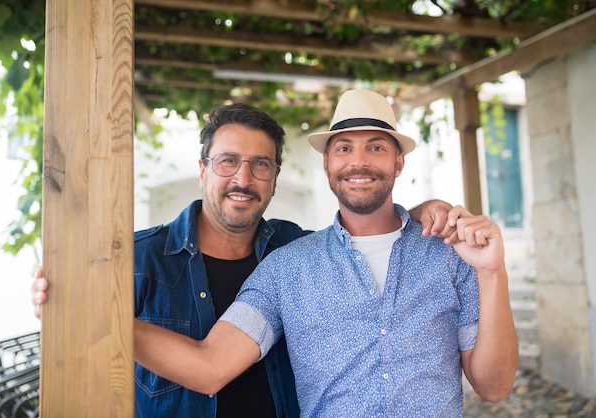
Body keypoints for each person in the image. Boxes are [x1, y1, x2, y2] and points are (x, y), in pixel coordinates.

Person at [31, 101, 460, 417]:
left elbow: (366, 232)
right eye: (228, 162)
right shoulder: (139, 262)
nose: (243, 178)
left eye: (260, 165)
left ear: (274, 178)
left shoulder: (297, 254)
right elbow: (83, 355)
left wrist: (423, 213)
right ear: (202, 169)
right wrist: (67, 303)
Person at [131, 89, 519, 417]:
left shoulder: (452, 255)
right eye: (344, 148)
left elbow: (494, 386)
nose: (359, 162)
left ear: (399, 162)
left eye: (377, 147)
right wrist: (102, 310)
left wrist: (492, 272)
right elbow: (211, 365)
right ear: (327, 164)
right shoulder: (286, 265)